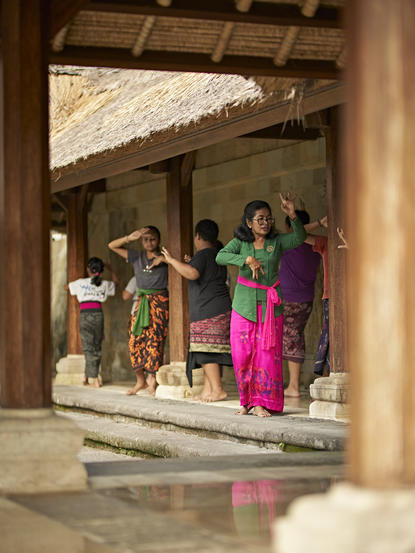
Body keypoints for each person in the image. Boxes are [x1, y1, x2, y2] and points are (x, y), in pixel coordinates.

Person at [216, 194, 306, 417]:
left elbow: (299, 237)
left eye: (269, 219)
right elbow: (220, 256)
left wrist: (292, 214)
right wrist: (244, 260)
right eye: (260, 219)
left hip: (270, 307)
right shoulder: (241, 243)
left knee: (265, 355)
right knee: (242, 353)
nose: (265, 223)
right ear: (249, 222)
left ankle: (260, 403)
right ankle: (245, 400)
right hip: (243, 305)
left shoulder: (276, 242)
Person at [161, 219, 232, 402]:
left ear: (198, 236)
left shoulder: (203, 254)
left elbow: (192, 273)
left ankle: (218, 389)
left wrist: (171, 260)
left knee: (204, 350)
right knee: (209, 350)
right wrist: (190, 263)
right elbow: (197, 270)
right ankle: (208, 390)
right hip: (220, 307)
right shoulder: (215, 254)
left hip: (208, 308)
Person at [108, 226, 168, 396]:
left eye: (153, 239)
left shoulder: (165, 255)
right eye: (146, 239)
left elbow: (180, 263)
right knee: (135, 340)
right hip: (141, 303)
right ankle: (140, 381)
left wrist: (164, 260)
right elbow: (112, 246)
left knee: (155, 341)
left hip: (159, 302)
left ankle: (152, 381)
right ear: (141, 241)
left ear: (159, 239)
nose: (149, 242)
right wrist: (129, 237)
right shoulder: (137, 256)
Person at [279, 210, 322, 398]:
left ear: (291, 227)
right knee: (294, 337)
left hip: (290, 298)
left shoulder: (292, 242)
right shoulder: (315, 246)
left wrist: (318, 221)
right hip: (306, 299)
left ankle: (294, 386)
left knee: (290, 339)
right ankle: (292, 385)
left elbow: (298, 233)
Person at [66, 257, 118, 388]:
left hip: (85, 315)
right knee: (96, 345)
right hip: (98, 315)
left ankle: (94, 378)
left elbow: (66, 287)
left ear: (88, 269)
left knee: (88, 347)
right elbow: (116, 282)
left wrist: (81, 286)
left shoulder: (80, 283)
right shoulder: (104, 283)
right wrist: (110, 268)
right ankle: (86, 376)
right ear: (101, 270)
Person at [302, 216, 329, 376]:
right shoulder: (327, 242)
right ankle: (327, 382)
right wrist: (319, 223)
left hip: (361, 298)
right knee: (329, 339)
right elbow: (297, 234)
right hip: (331, 297)